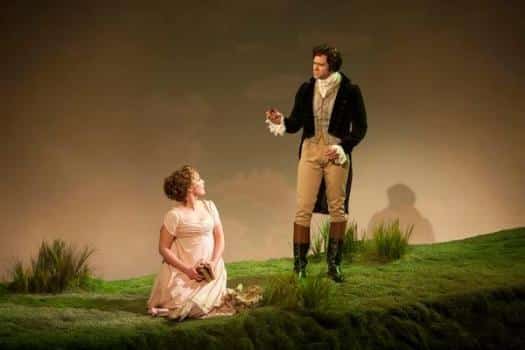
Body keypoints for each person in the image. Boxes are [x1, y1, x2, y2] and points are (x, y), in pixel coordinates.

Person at [265, 44, 368, 282]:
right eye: (314, 63)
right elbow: (296, 123)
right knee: (303, 208)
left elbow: (361, 127)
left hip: (335, 152)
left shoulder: (350, 90)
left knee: (337, 209)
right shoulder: (306, 88)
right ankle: (299, 267)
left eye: (320, 64)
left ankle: (334, 265)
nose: (315, 68)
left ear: (331, 66)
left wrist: (344, 146)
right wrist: (281, 119)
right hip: (310, 151)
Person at [147, 165, 236, 320]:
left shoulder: (209, 206)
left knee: (207, 304)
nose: (203, 181)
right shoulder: (174, 215)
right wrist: (188, 270)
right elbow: (163, 248)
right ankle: (170, 309)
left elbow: (220, 237)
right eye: (199, 179)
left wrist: (213, 263)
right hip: (184, 273)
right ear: (189, 187)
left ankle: (183, 307)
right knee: (188, 304)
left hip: (211, 269)